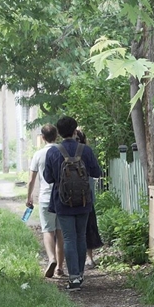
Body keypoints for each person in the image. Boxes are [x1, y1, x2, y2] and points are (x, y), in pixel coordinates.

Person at [44, 116, 102, 291]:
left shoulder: (53, 152)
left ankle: (74, 277)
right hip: (84, 201)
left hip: (62, 202)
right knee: (81, 236)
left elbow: (48, 178)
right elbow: (97, 172)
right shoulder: (85, 150)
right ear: (75, 130)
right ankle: (81, 274)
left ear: (59, 133)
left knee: (68, 237)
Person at [26, 124, 65, 278]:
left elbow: (31, 180)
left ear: (42, 137)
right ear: (57, 136)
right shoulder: (62, 151)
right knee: (60, 231)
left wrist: (29, 197)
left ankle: (51, 259)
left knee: (48, 230)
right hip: (62, 196)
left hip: (45, 197)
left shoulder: (38, 154)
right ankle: (60, 268)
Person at [76, 128, 103, 268]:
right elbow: (97, 173)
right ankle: (89, 258)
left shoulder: (60, 150)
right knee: (87, 227)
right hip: (86, 197)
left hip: (65, 198)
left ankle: (70, 263)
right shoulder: (86, 150)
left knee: (68, 232)